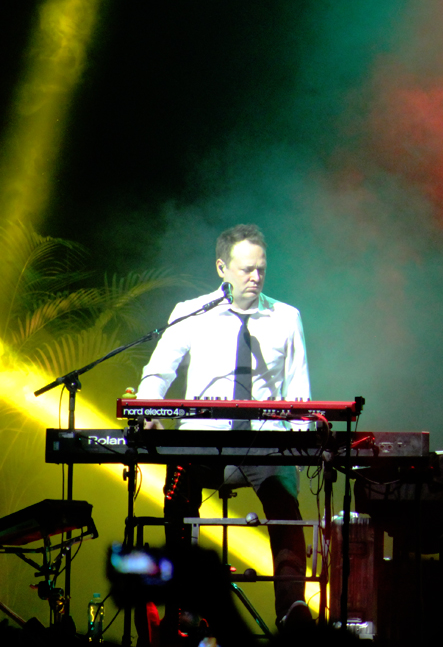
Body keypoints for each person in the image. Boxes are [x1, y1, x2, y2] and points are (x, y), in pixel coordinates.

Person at [138, 224, 312, 629]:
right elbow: (158, 371)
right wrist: (148, 408)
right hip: (203, 438)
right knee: (178, 494)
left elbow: (300, 393)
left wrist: (300, 439)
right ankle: (184, 606)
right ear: (222, 268)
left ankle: (292, 608)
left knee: (285, 505)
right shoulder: (191, 312)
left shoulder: (287, 317)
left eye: (261, 269)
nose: (256, 277)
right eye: (247, 269)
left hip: (265, 441)